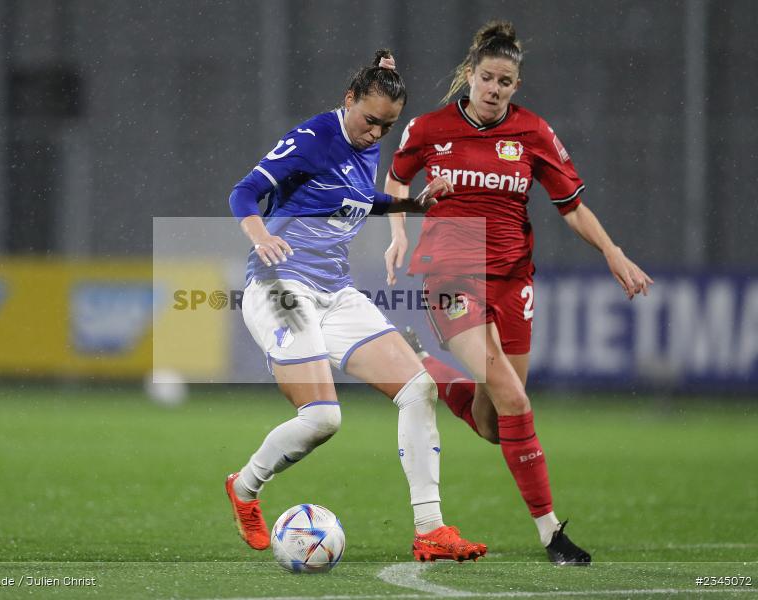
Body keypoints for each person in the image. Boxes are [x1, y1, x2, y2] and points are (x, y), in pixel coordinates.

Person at [383, 21, 653, 566]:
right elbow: (396, 180)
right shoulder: (430, 128)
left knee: (492, 424)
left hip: (513, 281)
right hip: (452, 271)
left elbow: (571, 205)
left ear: (516, 85)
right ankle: (553, 534)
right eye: (486, 78)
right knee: (516, 400)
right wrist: (398, 231)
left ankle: (421, 366)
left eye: (506, 82)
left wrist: (612, 251)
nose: (494, 89)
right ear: (470, 75)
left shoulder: (533, 134)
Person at [225, 51, 487, 562]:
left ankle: (430, 529)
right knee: (323, 418)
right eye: (369, 121)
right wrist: (259, 236)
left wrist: (414, 205)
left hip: (335, 291)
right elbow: (244, 192)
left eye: (386, 127)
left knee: (418, 389)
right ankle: (244, 488)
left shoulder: (366, 140)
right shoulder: (314, 139)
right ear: (348, 100)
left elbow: (357, 200)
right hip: (280, 285)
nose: (375, 135)